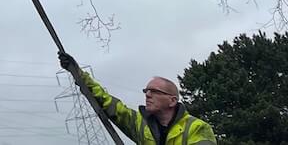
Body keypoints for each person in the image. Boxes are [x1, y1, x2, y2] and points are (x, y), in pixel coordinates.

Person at [57, 52, 216, 145]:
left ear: (172, 101)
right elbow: (108, 103)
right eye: (146, 91)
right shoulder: (140, 124)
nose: (147, 95)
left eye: (154, 91)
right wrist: (77, 73)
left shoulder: (197, 128)